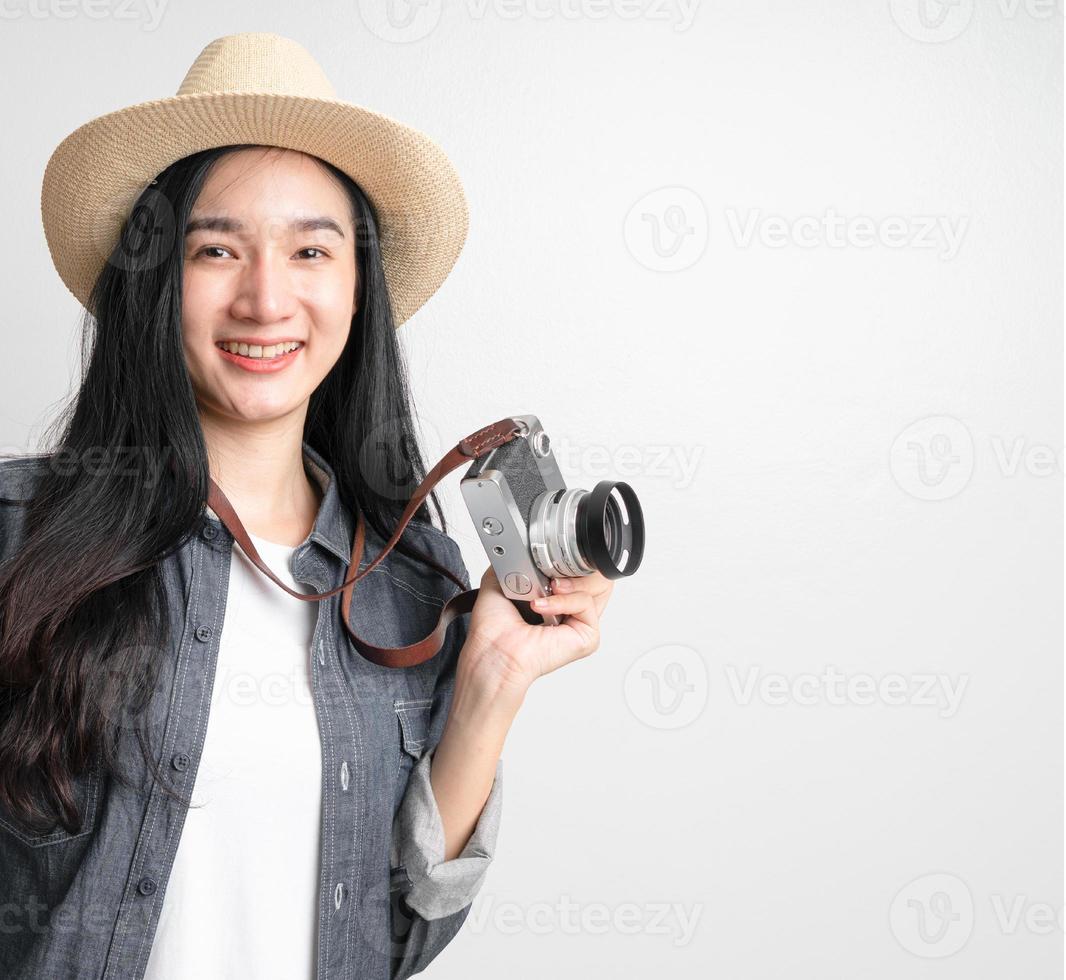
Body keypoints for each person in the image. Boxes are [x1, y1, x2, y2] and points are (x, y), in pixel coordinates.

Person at [0, 32, 614, 980]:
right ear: (157, 282)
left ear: (357, 286)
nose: (266, 297)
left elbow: (399, 936)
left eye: (311, 249)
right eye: (216, 249)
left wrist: (491, 685)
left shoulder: (416, 587)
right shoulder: (17, 536)